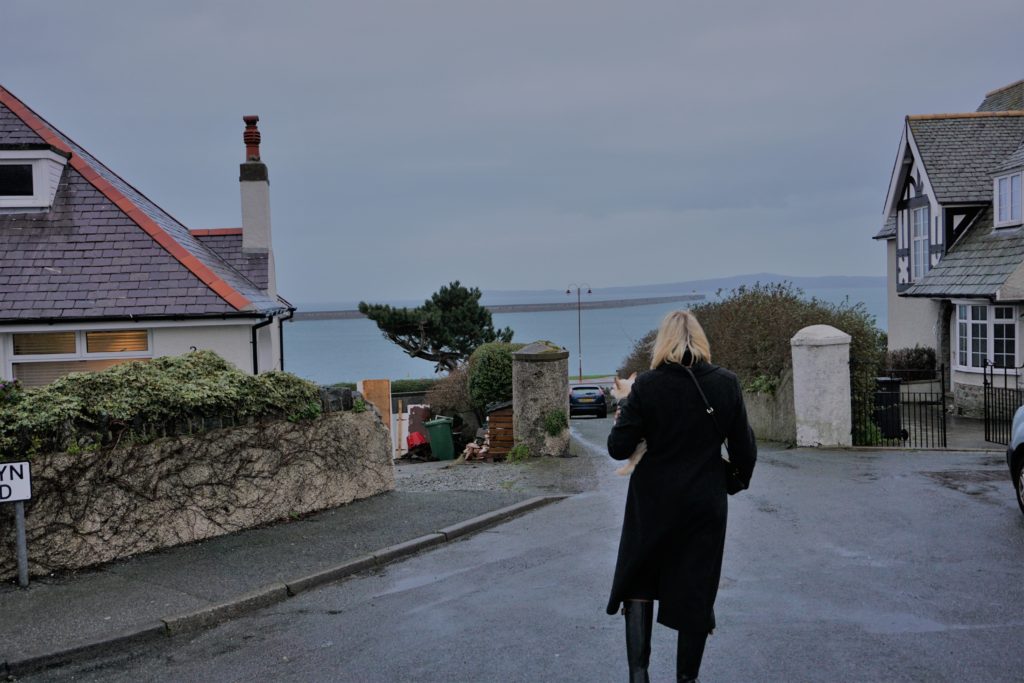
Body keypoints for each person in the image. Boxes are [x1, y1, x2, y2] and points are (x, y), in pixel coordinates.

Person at [607, 309, 757, 682]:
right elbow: (745, 452)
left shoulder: (647, 386)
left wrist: (624, 404)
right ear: (701, 340)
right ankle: (687, 680)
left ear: (663, 342)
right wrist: (728, 483)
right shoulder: (725, 383)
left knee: (639, 581)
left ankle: (638, 676)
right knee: (694, 587)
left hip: (652, 501)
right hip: (703, 502)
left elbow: (618, 446)